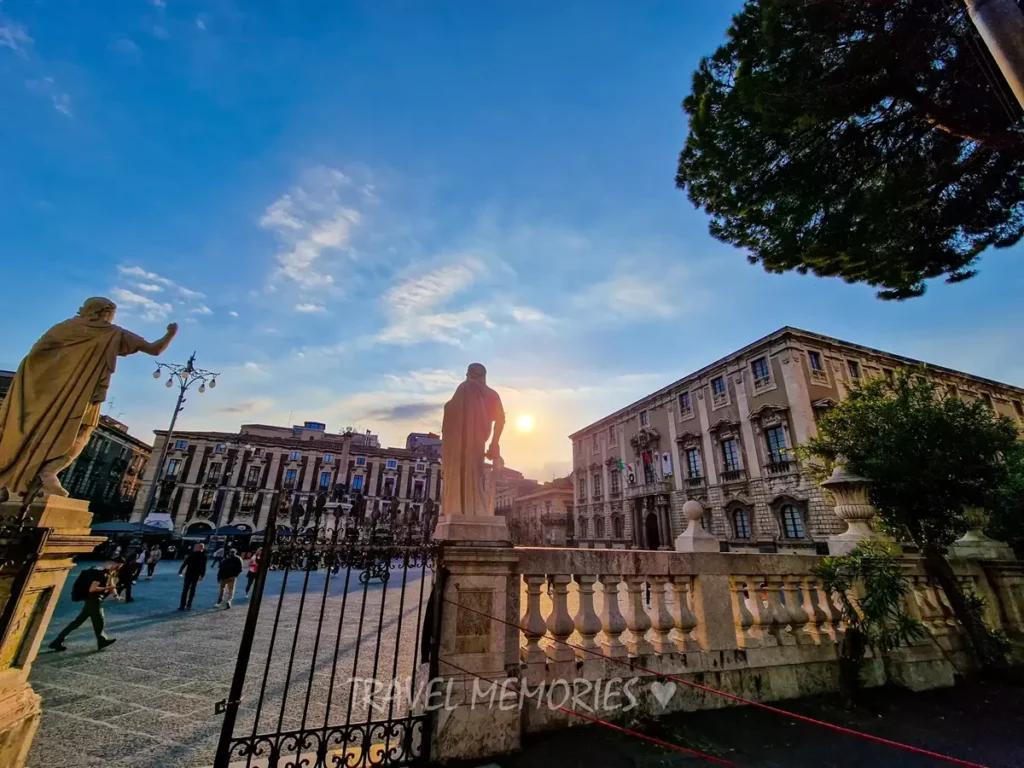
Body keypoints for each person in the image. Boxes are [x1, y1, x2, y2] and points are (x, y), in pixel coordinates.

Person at [0, 297, 177, 500]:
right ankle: (45, 473)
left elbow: (36, 355)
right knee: (81, 431)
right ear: (105, 312)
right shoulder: (112, 332)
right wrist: (171, 333)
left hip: (49, 391)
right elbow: (155, 348)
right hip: (82, 393)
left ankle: (36, 474)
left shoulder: (65, 328)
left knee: (43, 428)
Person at [49, 557, 122, 651]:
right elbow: (92, 589)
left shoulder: (109, 573)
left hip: (93, 601)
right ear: (111, 563)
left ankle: (57, 641)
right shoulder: (101, 574)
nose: (119, 566)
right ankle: (102, 641)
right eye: (118, 564)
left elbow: (112, 586)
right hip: (94, 600)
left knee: (77, 622)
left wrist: (116, 595)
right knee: (99, 621)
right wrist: (106, 588)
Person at [178, 542, 206, 610]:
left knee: (185, 589)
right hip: (196, 574)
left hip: (189, 573)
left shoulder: (192, 554)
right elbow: (203, 567)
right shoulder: (204, 556)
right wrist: (202, 575)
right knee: (192, 589)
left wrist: (180, 570)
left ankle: (182, 605)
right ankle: (189, 604)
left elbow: (186, 562)